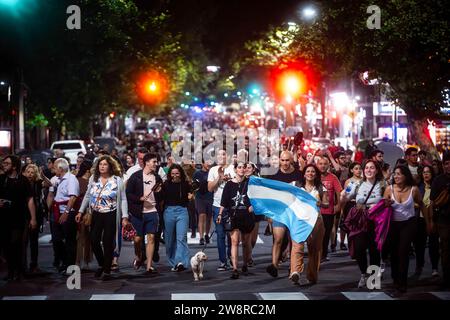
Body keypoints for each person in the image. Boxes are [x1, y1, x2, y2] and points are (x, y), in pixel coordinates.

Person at [76, 155, 129, 280]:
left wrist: (125, 216)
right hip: (96, 213)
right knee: (94, 240)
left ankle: (106, 270)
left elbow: (123, 199)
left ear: (110, 166)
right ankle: (101, 263)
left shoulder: (117, 180)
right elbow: (88, 196)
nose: (102, 167)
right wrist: (80, 211)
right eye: (100, 164)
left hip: (111, 213)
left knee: (107, 241)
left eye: (105, 164)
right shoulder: (93, 179)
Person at [342, 160, 385, 288]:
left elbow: (388, 199)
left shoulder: (383, 184)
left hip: (376, 222)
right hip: (360, 221)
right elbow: (345, 196)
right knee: (359, 249)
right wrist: (345, 192)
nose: (369, 170)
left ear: (377, 170)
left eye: (372, 168)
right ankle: (363, 274)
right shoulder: (357, 183)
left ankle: (374, 280)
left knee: (374, 251)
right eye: (366, 168)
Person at [383, 165, 424, 293]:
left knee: (403, 251)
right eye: (395, 174)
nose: (396, 176)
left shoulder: (414, 190)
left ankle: (403, 282)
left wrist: (429, 222)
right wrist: (386, 204)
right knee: (394, 252)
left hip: (409, 223)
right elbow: (383, 207)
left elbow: (421, 204)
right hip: (393, 224)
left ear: (406, 176)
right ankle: (395, 278)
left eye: (399, 174)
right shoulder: (389, 189)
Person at [266, 151, 302, 277]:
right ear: (279, 160)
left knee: (293, 241)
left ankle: (292, 267)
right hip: (279, 211)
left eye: (287, 160)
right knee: (278, 239)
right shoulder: (274, 174)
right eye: (283, 160)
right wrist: (269, 213)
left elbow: (302, 193)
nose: (285, 163)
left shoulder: (298, 174)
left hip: (294, 212)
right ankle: (274, 265)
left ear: (291, 160)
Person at [0, 156, 37, 281]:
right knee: (6, 246)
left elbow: (30, 199)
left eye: (7, 163)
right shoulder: (1, 179)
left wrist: (33, 218)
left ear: (14, 166)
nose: (4, 165)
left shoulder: (23, 180)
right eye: (3, 163)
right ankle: (10, 271)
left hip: (19, 217)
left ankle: (19, 271)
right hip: (4, 218)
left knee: (16, 243)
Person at [126, 153, 163, 273]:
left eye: (156, 162)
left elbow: (161, 197)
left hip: (152, 211)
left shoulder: (157, 178)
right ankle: (139, 256)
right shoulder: (135, 176)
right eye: (154, 162)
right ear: (147, 162)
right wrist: (139, 199)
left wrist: (159, 192)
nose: (156, 164)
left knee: (151, 237)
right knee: (137, 239)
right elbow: (128, 194)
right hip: (138, 213)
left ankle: (149, 265)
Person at [217, 162, 255, 279]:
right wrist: (219, 214)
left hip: (247, 216)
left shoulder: (250, 183)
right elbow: (224, 201)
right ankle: (234, 268)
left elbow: (256, 198)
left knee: (245, 243)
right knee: (234, 242)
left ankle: (244, 264)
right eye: (239, 167)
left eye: (244, 167)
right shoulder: (229, 184)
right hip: (233, 216)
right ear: (235, 169)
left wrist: (254, 206)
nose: (242, 169)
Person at [290, 164, 326, 285]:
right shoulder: (296, 186)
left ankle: (312, 276)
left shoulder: (321, 188)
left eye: (312, 172)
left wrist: (321, 203)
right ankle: (295, 271)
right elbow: (283, 191)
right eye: (308, 171)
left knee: (314, 249)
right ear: (304, 174)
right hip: (300, 220)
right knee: (297, 246)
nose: (310, 173)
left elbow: (327, 203)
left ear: (316, 174)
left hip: (316, 221)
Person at [49, 158, 80, 274]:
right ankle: (64, 261)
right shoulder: (59, 179)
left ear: (60, 169)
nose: (53, 169)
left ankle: (70, 266)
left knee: (70, 240)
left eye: (55, 168)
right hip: (58, 212)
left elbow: (72, 197)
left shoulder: (71, 179)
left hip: (67, 212)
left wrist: (66, 213)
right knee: (57, 239)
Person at [208, 149, 235, 271]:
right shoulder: (213, 170)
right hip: (217, 205)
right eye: (218, 154)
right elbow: (209, 188)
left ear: (227, 156)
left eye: (223, 154)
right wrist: (219, 178)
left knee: (231, 235)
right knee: (220, 235)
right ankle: (223, 261)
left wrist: (228, 180)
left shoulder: (233, 169)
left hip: (231, 207)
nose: (220, 156)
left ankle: (231, 257)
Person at [161, 164, 192, 271]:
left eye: (177, 173)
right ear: (169, 174)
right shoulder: (165, 184)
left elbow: (190, 196)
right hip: (168, 211)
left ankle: (180, 262)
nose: (175, 175)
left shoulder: (186, 184)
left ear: (181, 174)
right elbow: (160, 199)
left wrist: (191, 197)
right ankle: (173, 261)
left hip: (182, 211)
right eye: (173, 173)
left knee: (181, 238)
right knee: (169, 240)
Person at [414, 165, 440, 277]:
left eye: (428, 172)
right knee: (419, 245)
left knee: (434, 244)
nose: (426, 174)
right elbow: (414, 201)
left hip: (433, 219)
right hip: (420, 219)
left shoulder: (436, 186)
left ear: (432, 174)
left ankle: (435, 268)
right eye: (424, 172)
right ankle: (419, 267)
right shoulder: (418, 187)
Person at [430, 153, 450, 289]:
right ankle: (447, 278)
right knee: (446, 250)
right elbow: (433, 202)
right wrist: (431, 221)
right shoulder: (438, 180)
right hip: (444, 220)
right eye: (446, 163)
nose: (449, 166)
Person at [317, 156, 342, 261]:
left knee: (326, 233)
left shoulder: (333, 178)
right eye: (320, 164)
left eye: (325, 164)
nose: (322, 166)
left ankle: (323, 254)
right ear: (317, 165)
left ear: (328, 165)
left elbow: (339, 193)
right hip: (315, 212)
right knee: (316, 234)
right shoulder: (313, 176)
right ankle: (316, 253)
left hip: (329, 211)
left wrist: (338, 206)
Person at [22, 164, 45, 274]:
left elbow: (49, 184)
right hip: (24, 214)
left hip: (36, 213)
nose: (30, 174)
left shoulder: (38, 183)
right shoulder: (22, 183)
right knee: (24, 241)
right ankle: (23, 266)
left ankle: (33, 264)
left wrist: (43, 176)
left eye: (32, 172)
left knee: (34, 240)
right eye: (28, 172)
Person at [338, 162, 363, 251]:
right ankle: (352, 247)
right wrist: (342, 209)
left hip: (362, 206)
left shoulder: (364, 180)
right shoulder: (349, 181)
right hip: (350, 206)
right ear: (351, 170)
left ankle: (360, 247)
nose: (358, 170)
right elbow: (346, 195)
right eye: (356, 169)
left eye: (360, 168)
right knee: (351, 228)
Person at [75, 159, 94, 270]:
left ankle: (85, 261)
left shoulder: (92, 181)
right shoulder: (79, 181)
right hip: (82, 211)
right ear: (88, 170)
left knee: (88, 237)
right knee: (81, 237)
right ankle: (80, 261)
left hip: (90, 211)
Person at [193, 159, 214, 245]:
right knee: (202, 215)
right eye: (207, 162)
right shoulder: (197, 173)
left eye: (210, 162)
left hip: (210, 197)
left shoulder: (212, 172)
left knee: (209, 217)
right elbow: (194, 185)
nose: (209, 164)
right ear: (202, 163)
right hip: (200, 197)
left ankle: (206, 234)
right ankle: (201, 237)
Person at [245, 162, 262, 266]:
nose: (246, 169)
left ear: (253, 170)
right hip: (244, 211)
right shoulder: (240, 179)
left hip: (255, 210)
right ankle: (248, 257)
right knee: (246, 236)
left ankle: (249, 253)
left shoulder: (257, 180)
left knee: (253, 238)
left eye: (249, 167)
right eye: (245, 167)